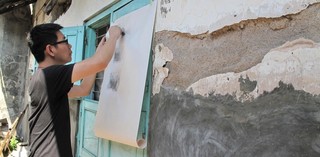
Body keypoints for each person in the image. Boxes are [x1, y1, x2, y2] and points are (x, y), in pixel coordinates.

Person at [26, 23, 122, 157]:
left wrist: (98, 53)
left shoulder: (42, 78)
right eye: (65, 41)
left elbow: (83, 89)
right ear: (50, 50)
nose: (70, 46)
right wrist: (114, 35)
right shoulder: (50, 76)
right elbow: (100, 62)